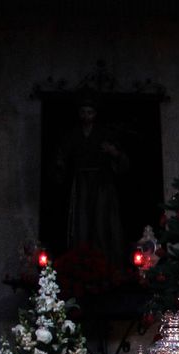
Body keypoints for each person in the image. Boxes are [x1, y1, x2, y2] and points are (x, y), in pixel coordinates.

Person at [52, 93, 130, 268]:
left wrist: (113, 153)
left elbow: (123, 161)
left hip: (102, 184)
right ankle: (81, 262)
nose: (86, 116)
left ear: (95, 114)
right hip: (81, 185)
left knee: (102, 222)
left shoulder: (104, 134)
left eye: (90, 112)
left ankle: (104, 261)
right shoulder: (73, 134)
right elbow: (61, 156)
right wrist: (60, 165)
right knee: (82, 222)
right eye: (83, 112)